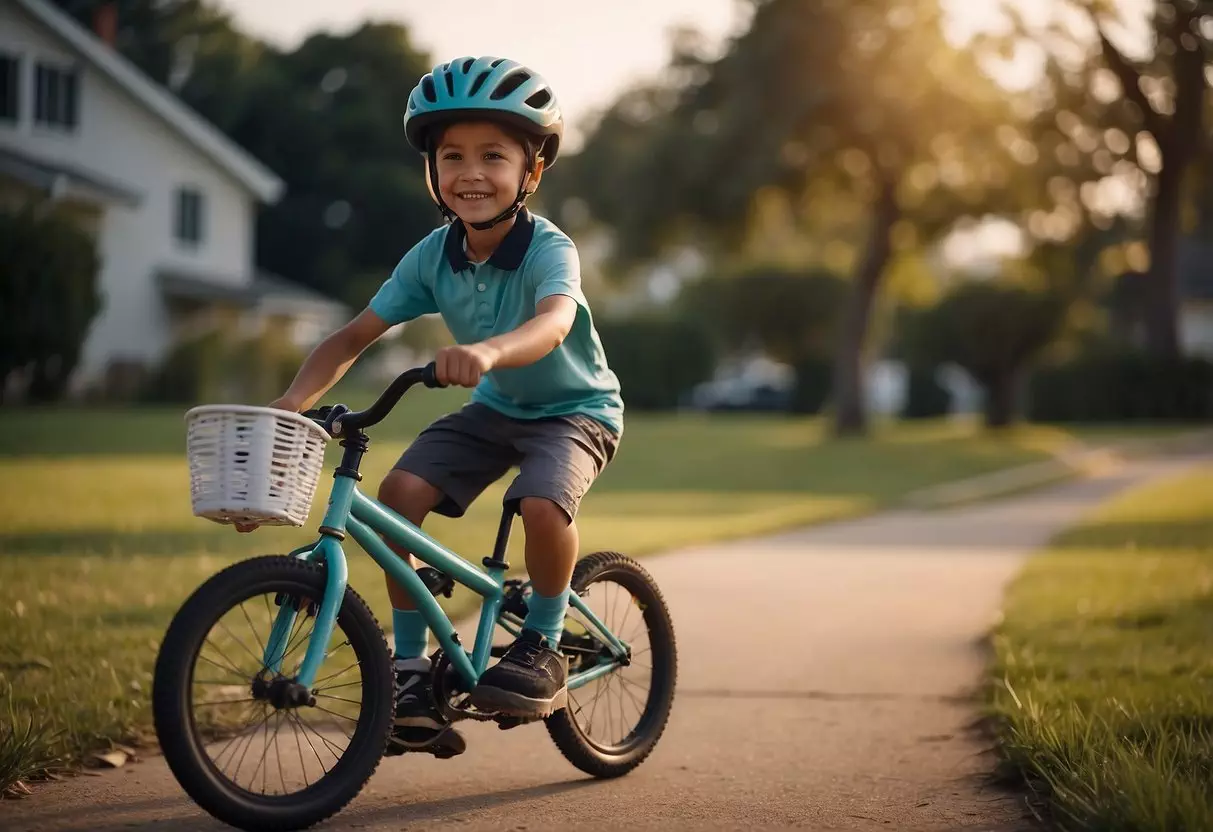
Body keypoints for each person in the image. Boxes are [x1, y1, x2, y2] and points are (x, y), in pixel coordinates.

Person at [236, 56, 623, 759]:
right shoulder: (431, 257)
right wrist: (294, 402)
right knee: (396, 494)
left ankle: (541, 640)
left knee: (541, 502)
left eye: (493, 156)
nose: (470, 172)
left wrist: (488, 352)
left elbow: (555, 322)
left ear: (530, 173)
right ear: (432, 171)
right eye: (452, 157)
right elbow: (353, 336)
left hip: (575, 410)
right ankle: (411, 670)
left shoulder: (548, 248)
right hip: (496, 407)